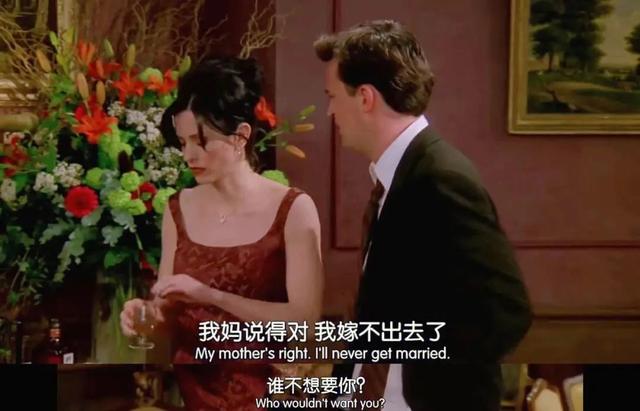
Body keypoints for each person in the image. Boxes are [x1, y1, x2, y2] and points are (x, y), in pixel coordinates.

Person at [314, 20, 532, 411]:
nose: (330, 111)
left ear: (365, 97)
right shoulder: (399, 176)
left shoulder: (440, 177)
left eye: (332, 96)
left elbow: (505, 316)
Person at [120, 56, 324, 410]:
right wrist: (148, 316)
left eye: (200, 142)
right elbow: (169, 313)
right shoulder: (178, 209)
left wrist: (210, 295)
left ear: (240, 136)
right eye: (183, 142)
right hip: (194, 396)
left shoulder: (293, 209)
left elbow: (304, 323)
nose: (189, 155)